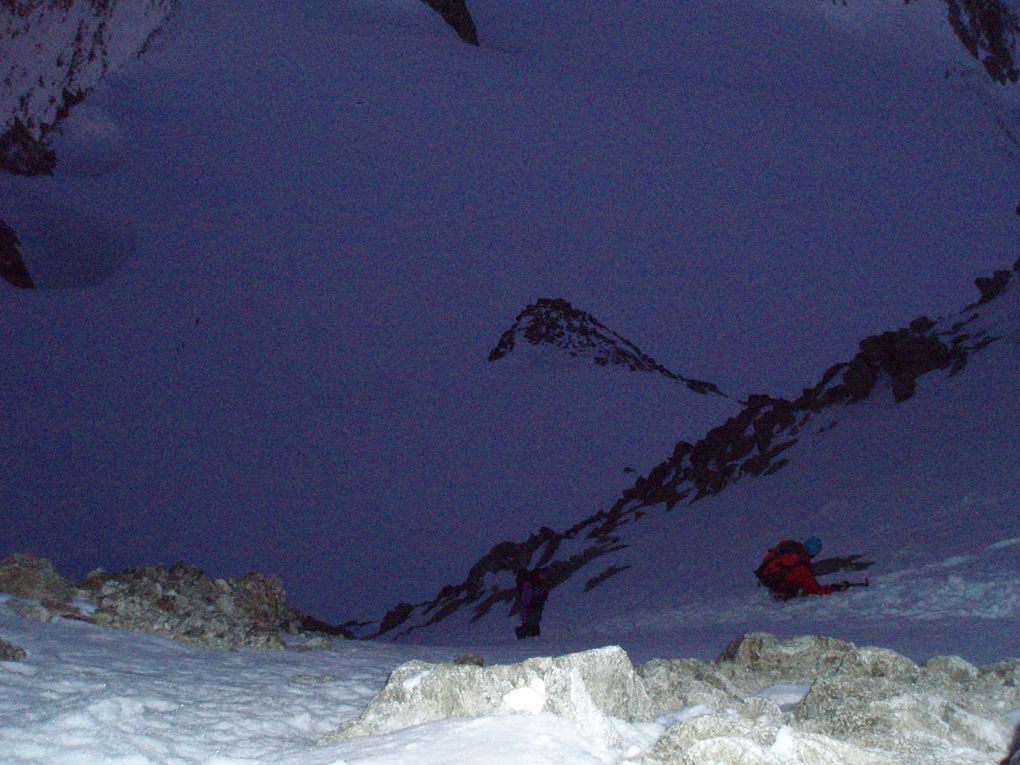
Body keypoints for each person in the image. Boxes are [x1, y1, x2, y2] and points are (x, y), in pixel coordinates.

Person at [755, 537, 850, 600]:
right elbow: (816, 590)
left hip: (764, 572)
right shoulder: (802, 568)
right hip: (773, 580)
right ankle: (779, 593)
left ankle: (778, 587)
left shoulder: (788, 545)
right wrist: (833, 588)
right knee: (801, 589)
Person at [514, 566, 551, 639]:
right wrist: (524, 613)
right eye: (543, 575)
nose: (544, 577)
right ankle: (524, 637)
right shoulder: (530, 584)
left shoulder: (542, 584)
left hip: (536, 607)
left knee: (534, 625)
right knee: (530, 625)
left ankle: (530, 639)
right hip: (530, 607)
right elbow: (525, 600)